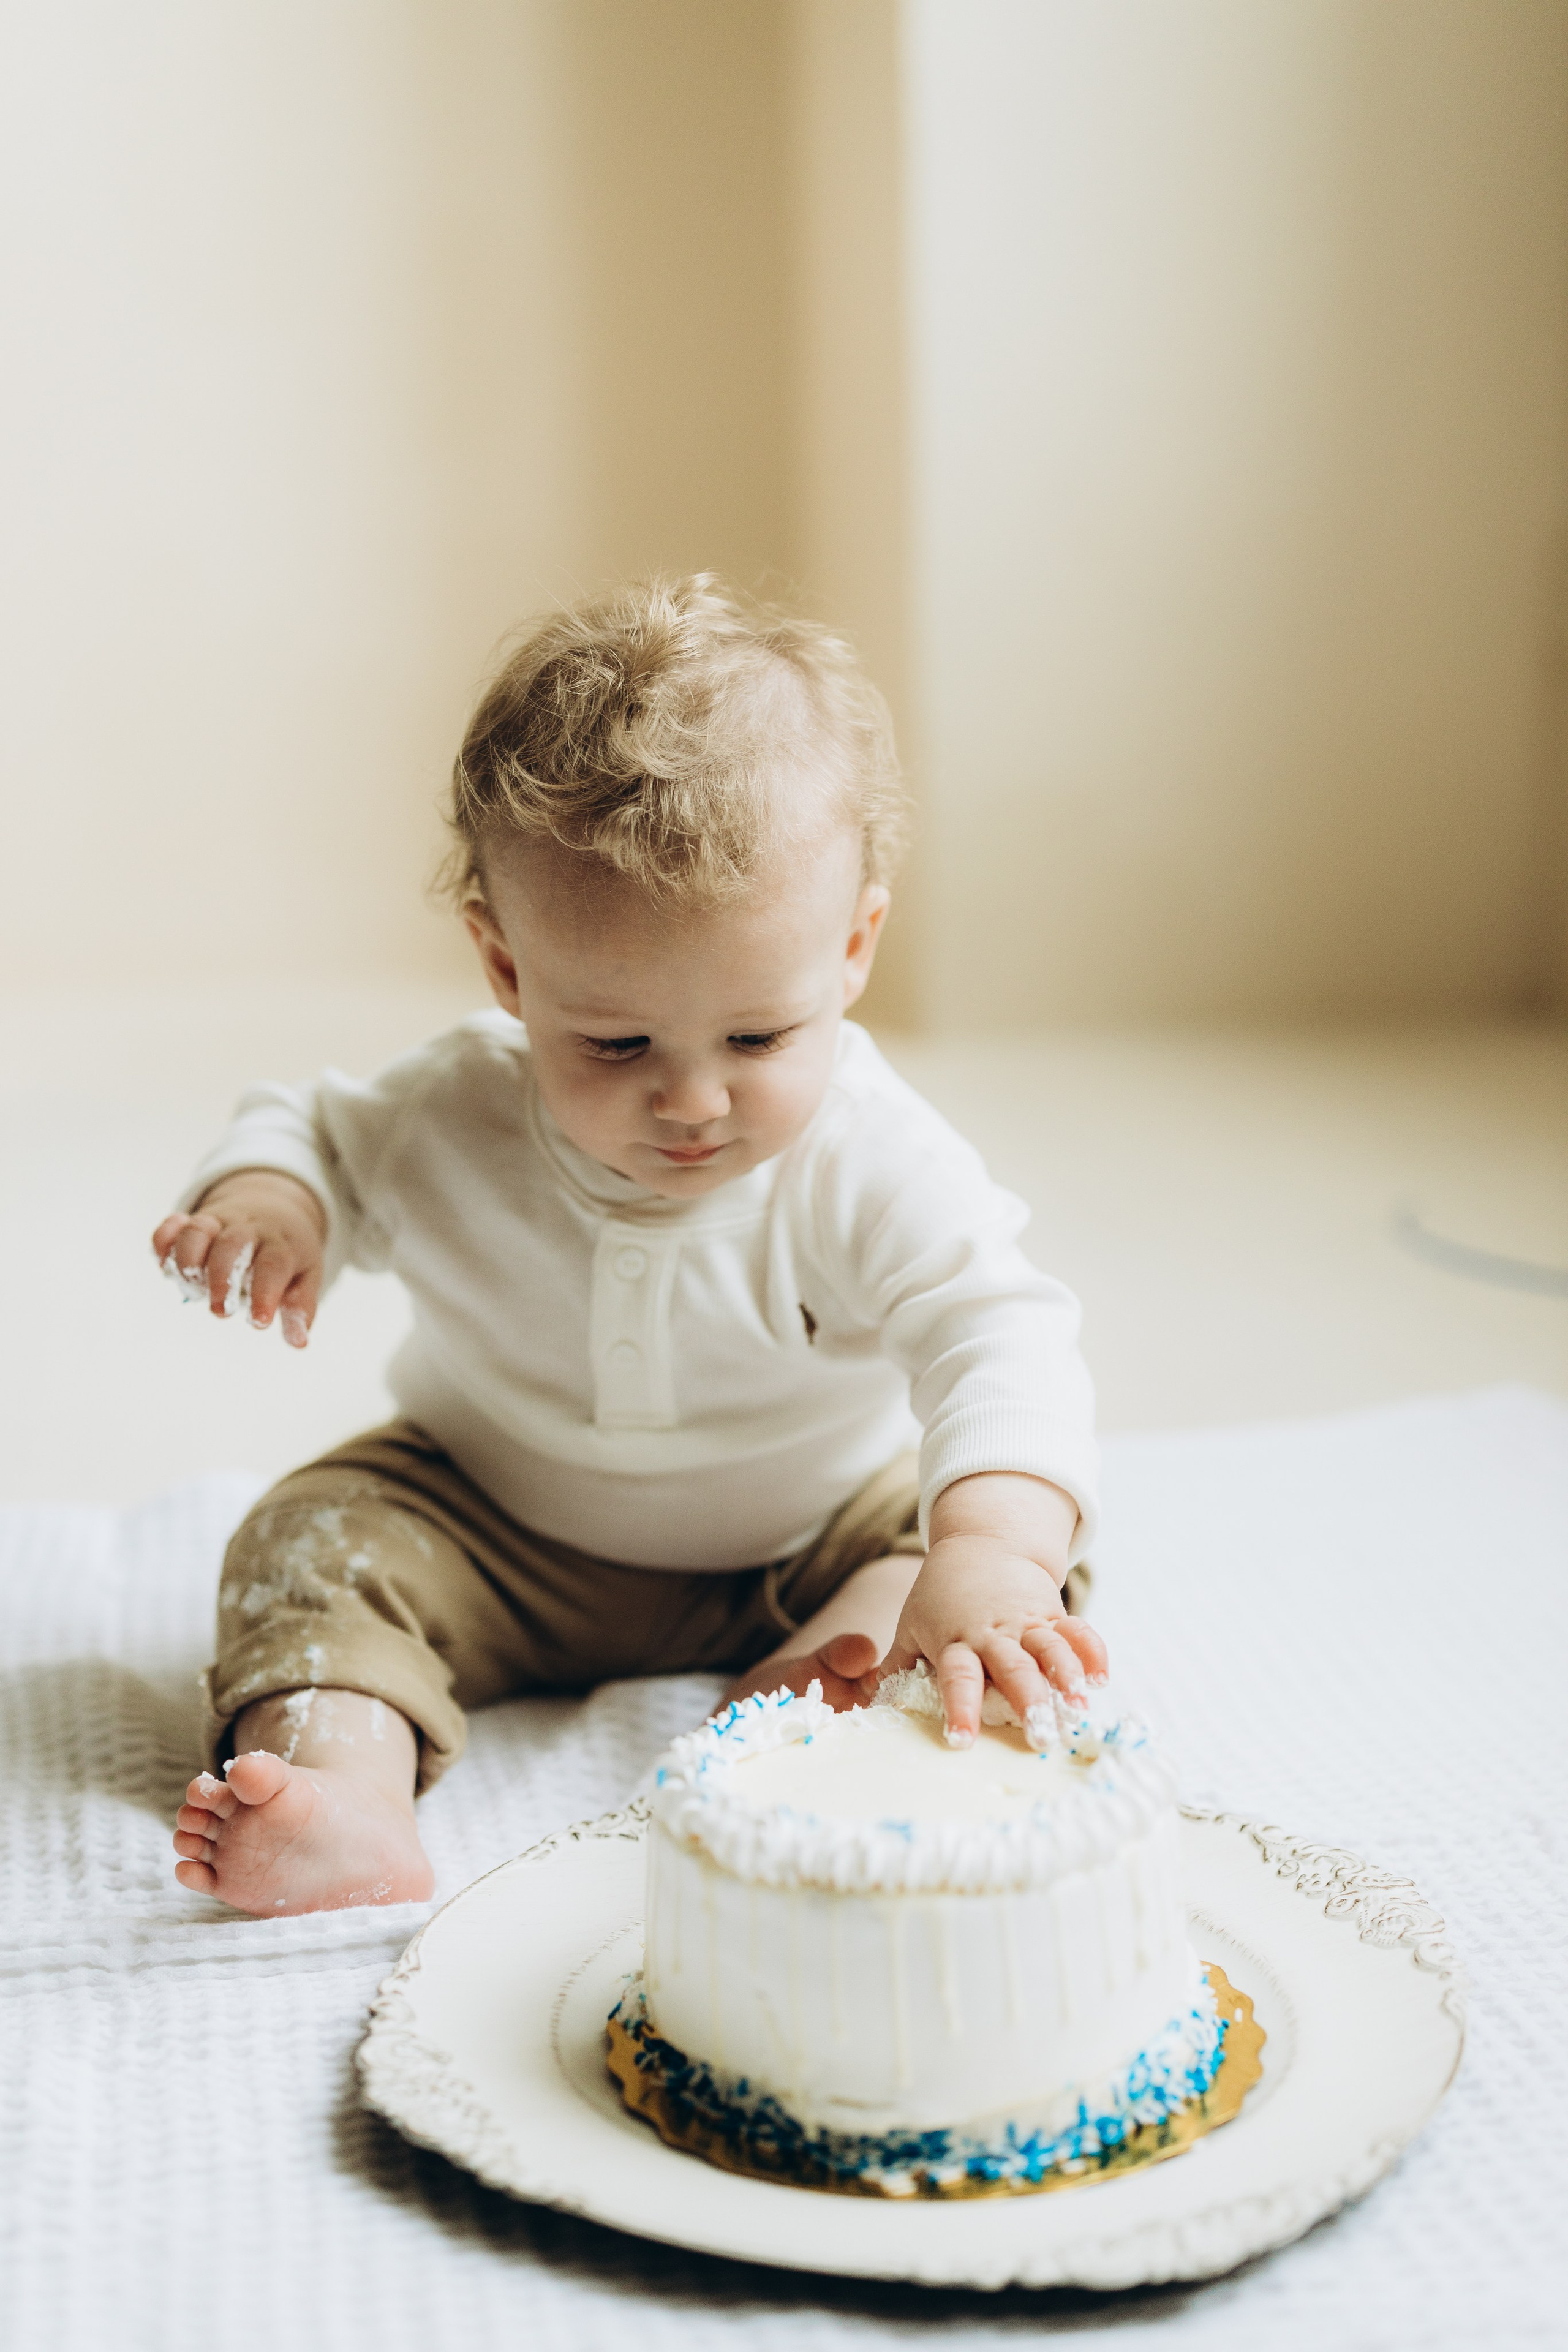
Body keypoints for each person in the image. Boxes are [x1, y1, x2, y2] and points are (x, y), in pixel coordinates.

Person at [156, 575, 1106, 1918]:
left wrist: (990, 1556)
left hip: (807, 1532)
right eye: (613, 1044)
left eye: (755, 1039)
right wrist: (274, 1200)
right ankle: (339, 1790)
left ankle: (816, 1699)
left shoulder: (871, 1155)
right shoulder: (450, 1110)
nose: (691, 1101)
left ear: (850, 948)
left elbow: (996, 1330)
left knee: (970, 1569)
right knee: (305, 1543)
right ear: (507, 972)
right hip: (491, 1522)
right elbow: (309, 1127)